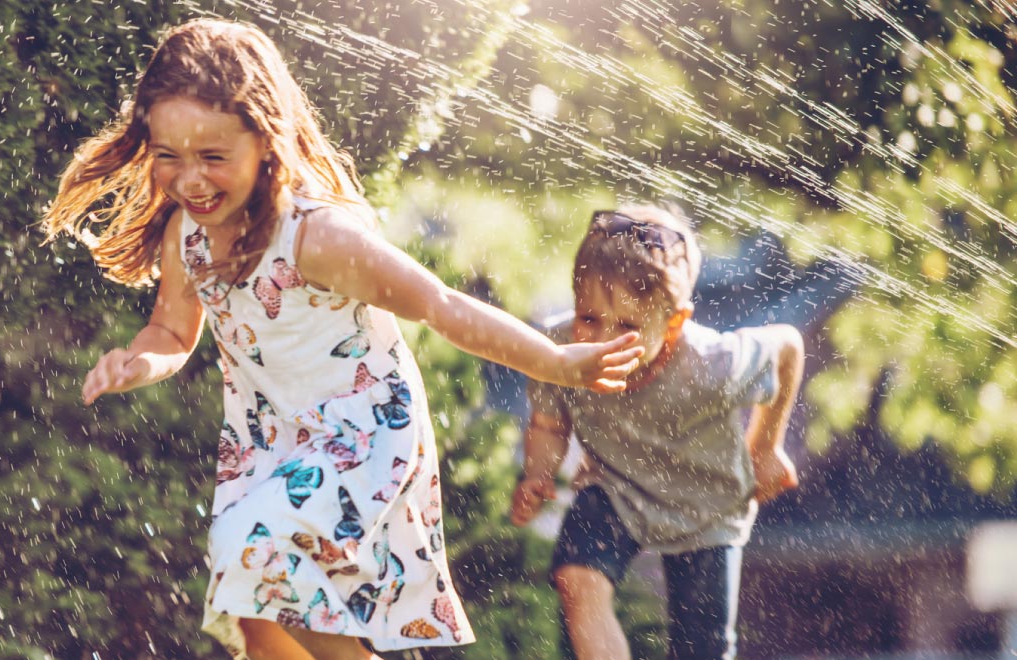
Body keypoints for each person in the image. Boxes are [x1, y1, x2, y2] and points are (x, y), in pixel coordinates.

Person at [42, 18, 644, 659]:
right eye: (169, 156)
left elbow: (439, 305)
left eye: (213, 157)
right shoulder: (186, 235)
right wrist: (140, 362)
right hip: (271, 441)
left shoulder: (317, 237)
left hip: (361, 430)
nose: (190, 180)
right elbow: (171, 329)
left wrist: (554, 360)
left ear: (265, 139)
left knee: (254, 551)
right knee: (254, 610)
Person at [508, 205, 805, 660]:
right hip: (615, 487)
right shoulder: (561, 350)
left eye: (627, 326)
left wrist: (766, 446)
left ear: (674, 324)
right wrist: (538, 472)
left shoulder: (714, 364)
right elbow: (550, 422)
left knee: (700, 649)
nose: (603, 339)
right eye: (589, 317)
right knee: (576, 579)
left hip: (706, 505)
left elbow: (788, 345)